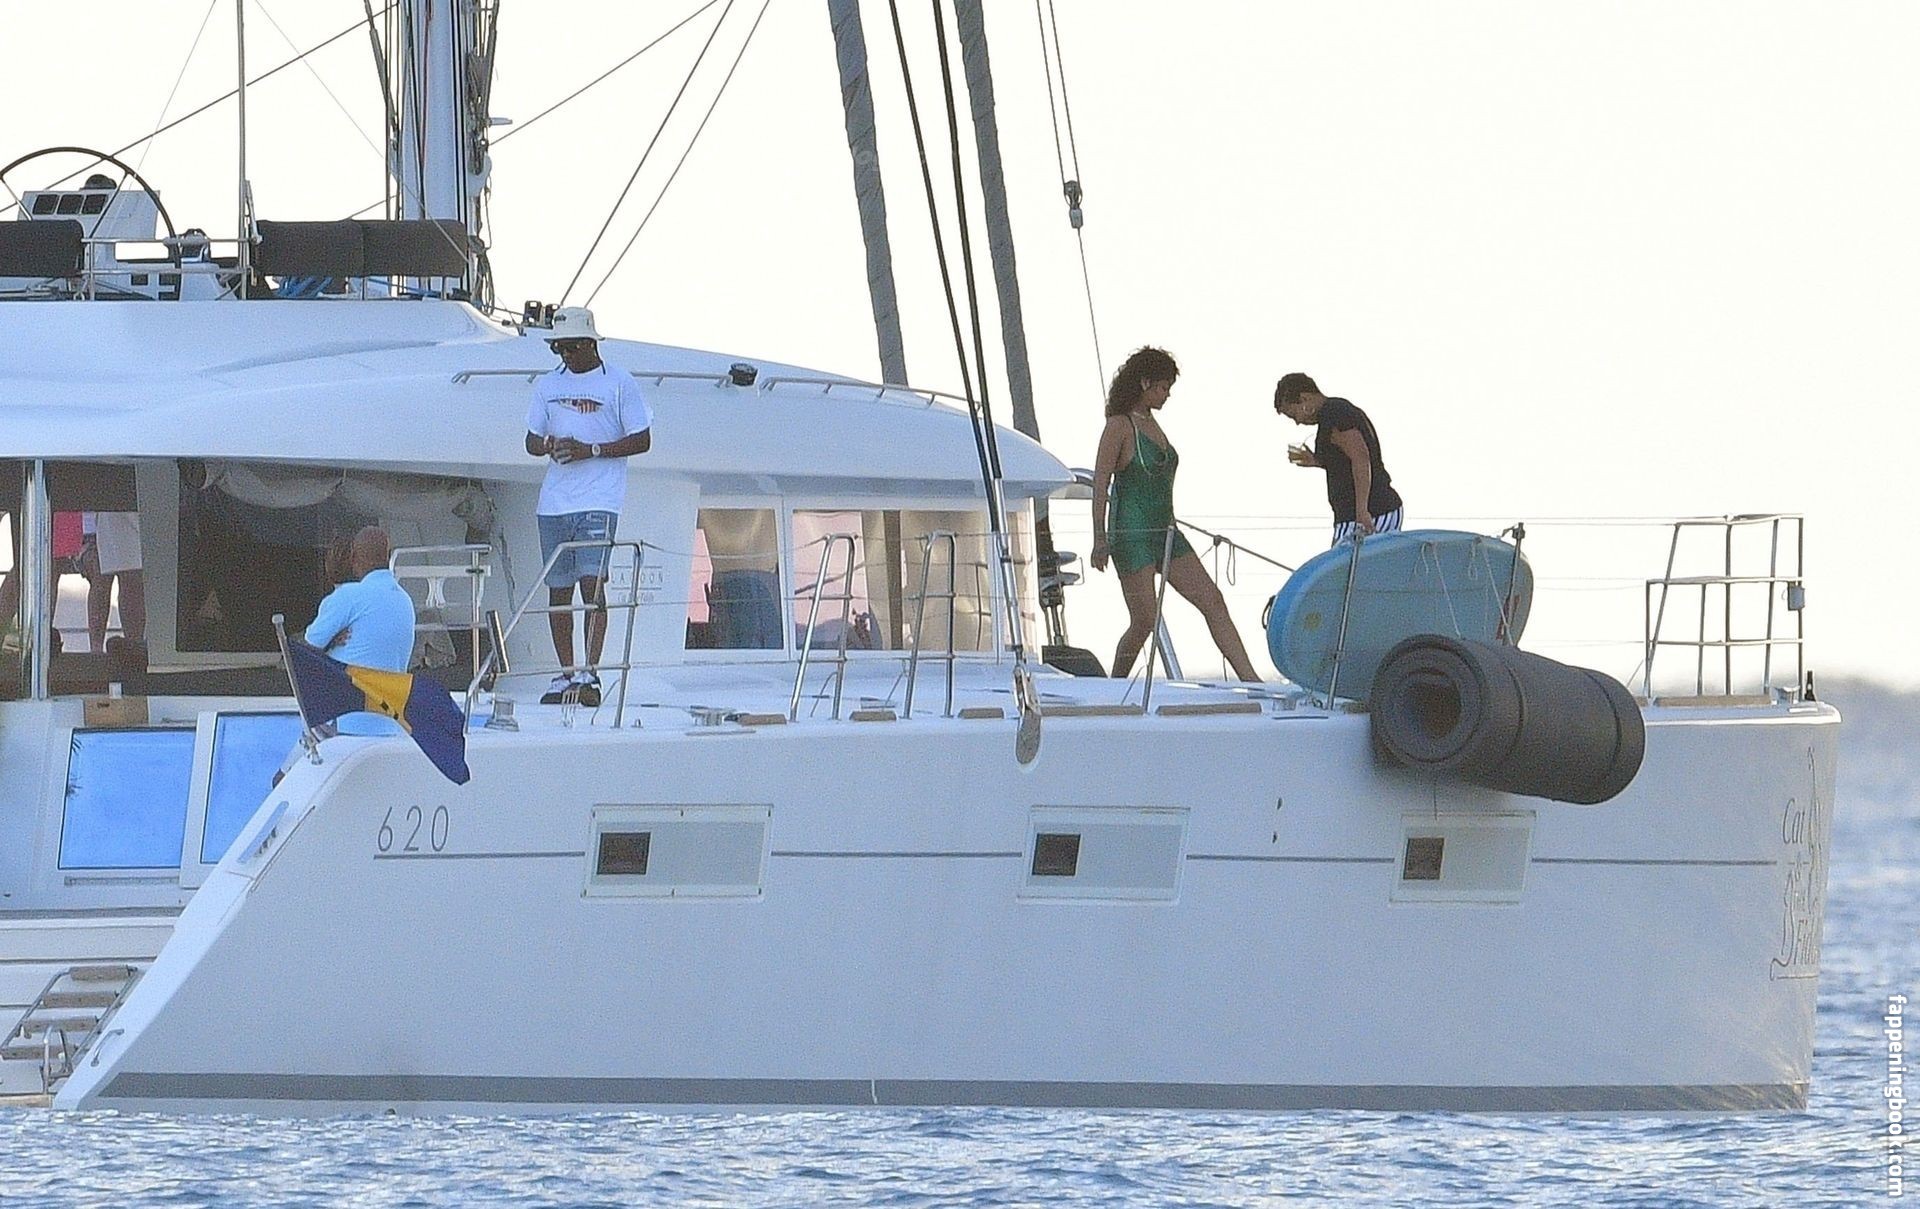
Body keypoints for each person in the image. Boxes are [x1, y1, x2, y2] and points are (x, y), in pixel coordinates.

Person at [1090, 347, 1260, 682]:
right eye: (1162, 387)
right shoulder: (1119, 426)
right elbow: (1100, 483)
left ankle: (1251, 679)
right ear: (1144, 383)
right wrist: (1099, 537)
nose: (1167, 395)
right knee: (1144, 620)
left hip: (1166, 532)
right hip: (1132, 534)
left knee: (1212, 599)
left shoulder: (1151, 423)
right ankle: (1115, 683)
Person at [524, 306, 653, 706]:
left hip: (599, 499)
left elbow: (642, 439)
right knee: (558, 590)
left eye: (569, 347)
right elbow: (530, 440)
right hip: (554, 503)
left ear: (589, 344)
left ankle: (590, 673)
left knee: (592, 586)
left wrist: (591, 450)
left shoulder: (619, 382)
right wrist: (549, 444)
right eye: (558, 348)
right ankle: (565, 675)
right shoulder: (548, 384)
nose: (564, 355)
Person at [304, 526, 415, 735]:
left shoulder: (349, 596)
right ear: (388, 556)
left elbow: (307, 648)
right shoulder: (405, 600)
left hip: (348, 723)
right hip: (393, 724)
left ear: (354, 557)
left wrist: (330, 642)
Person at [1273, 372, 1404, 545]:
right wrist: (1316, 461)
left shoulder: (1334, 414)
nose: (1297, 421)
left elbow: (1361, 458)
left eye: (1293, 414)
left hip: (1371, 511)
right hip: (1357, 515)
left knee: (1345, 561)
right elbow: (1345, 462)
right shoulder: (1332, 414)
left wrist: (1362, 511)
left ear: (1305, 399)